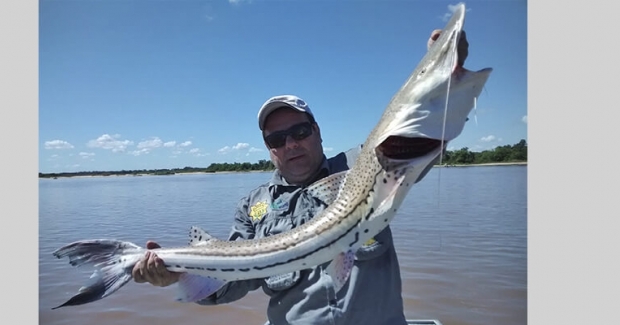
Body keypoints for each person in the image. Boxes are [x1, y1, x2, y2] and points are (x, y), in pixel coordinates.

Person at [132, 29, 470, 325]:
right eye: (276, 139)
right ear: (268, 148)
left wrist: (440, 70)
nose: (291, 144)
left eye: (300, 131)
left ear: (318, 131)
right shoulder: (253, 208)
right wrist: (177, 276)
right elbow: (229, 283)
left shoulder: (362, 164)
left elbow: (412, 130)